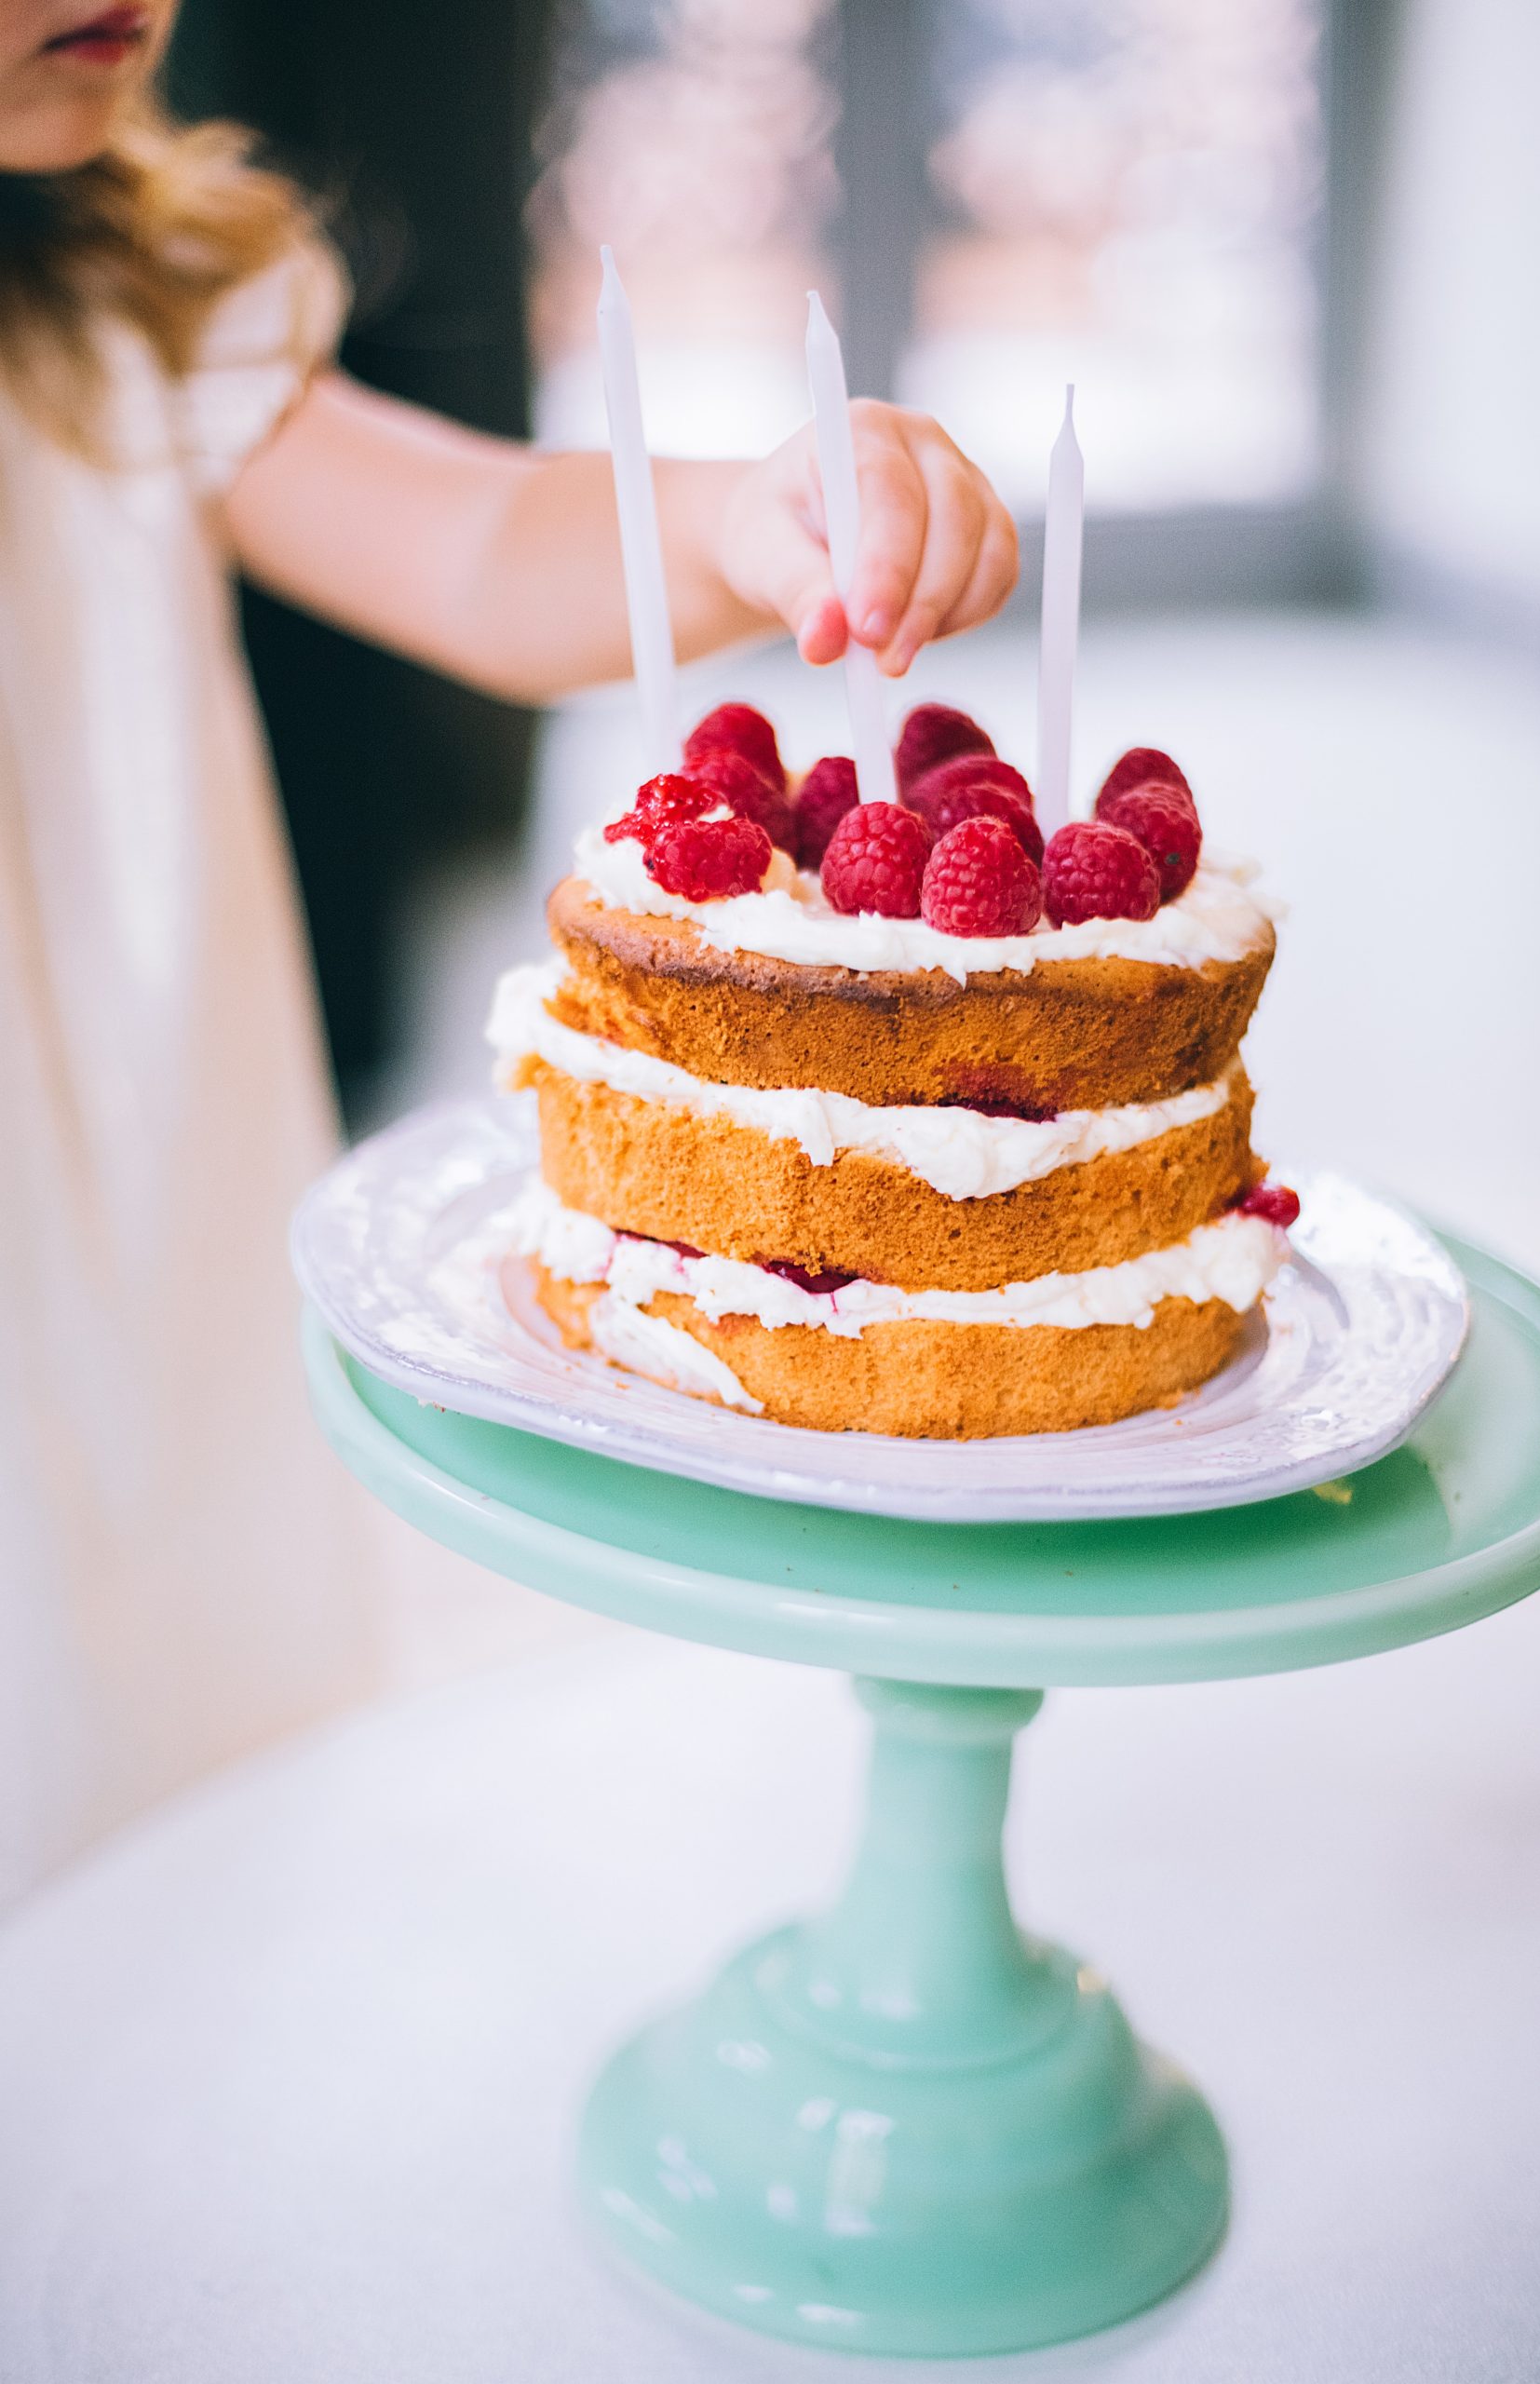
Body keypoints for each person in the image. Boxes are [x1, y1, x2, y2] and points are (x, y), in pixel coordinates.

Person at [0, 0, 1020, 1904]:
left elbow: (469, 547)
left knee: (168, 1798)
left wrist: (738, 522)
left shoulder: (116, 307)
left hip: (141, 1245)